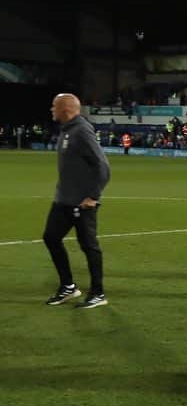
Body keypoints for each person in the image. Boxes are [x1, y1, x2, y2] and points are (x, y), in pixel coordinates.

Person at [43, 93, 111, 308]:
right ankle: (68, 287)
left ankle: (98, 293)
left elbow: (103, 166)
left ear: (65, 108)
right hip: (64, 199)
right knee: (51, 237)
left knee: (89, 246)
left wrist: (93, 196)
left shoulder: (81, 130)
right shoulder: (67, 131)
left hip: (82, 203)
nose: (51, 109)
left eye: (54, 106)